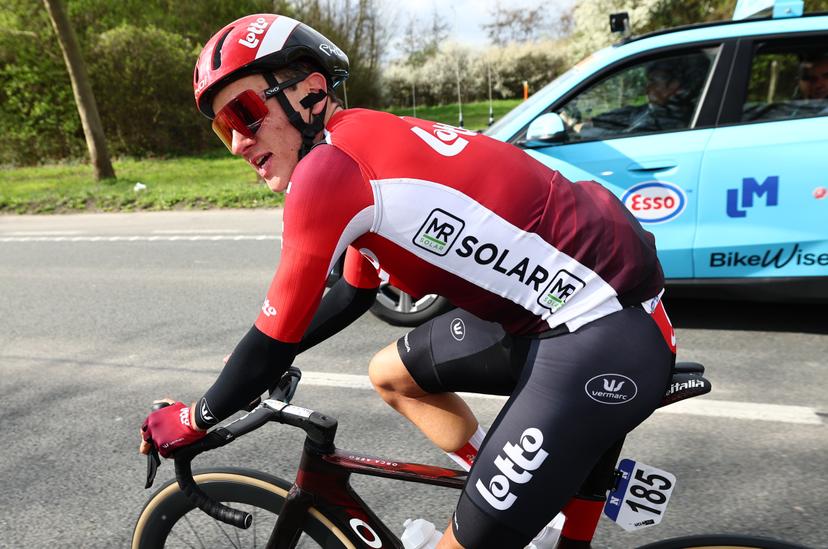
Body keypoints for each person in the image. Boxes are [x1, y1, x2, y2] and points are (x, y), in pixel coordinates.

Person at [139, 13, 677, 549]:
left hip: (599, 332)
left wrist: (195, 417)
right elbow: (351, 296)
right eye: (222, 127)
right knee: (391, 373)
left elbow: (273, 336)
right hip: (563, 306)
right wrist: (255, 374)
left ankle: (515, 502)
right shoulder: (359, 141)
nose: (236, 142)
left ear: (309, 93)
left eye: (244, 113)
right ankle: (523, 500)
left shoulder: (329, 172)